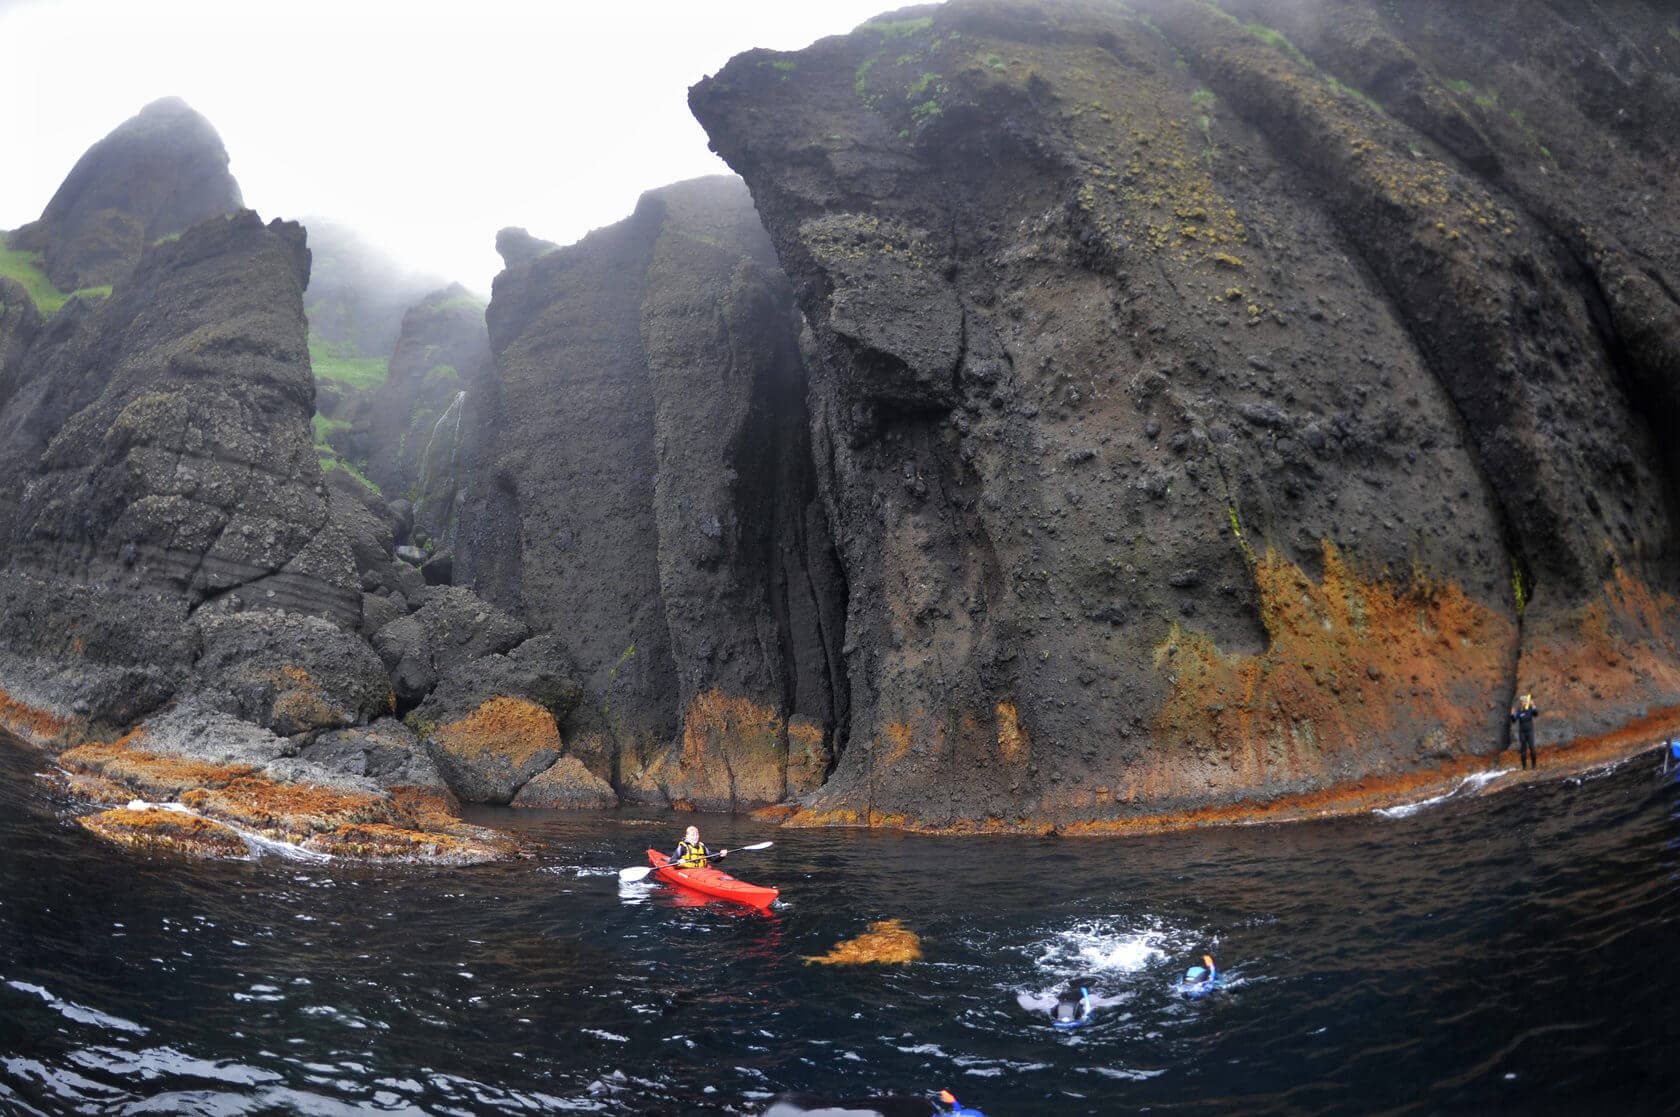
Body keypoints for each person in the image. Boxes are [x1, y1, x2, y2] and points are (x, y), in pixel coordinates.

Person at [1510, 693, 1540, 769]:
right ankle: (1524, 767)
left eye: (1525, 701)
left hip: (1530, 731)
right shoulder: (1519, 711)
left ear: (1527, 702)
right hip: (1522, 732)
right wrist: (1512, 714)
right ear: (1521, 703)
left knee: (1532, 748)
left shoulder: (1530, 709)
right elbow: (1514, 720)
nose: (1524, 703)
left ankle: (1534, 766)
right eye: (1522, 701)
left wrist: (1533, 705)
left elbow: (1536, 714)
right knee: (1523, 750)